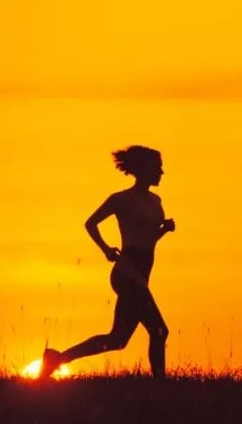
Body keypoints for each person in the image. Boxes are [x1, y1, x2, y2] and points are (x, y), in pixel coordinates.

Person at [40, 145, 175, 378]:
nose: (161, 172)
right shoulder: (121, 199)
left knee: (118, 340)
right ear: (142, 168)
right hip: (127, 273)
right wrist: (105, 249)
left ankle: (57, 358)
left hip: (141, 275)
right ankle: (160, 383)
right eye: (157, 167)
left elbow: (147, 239)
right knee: (159, 330)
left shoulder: (156, 200)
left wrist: (164, 230)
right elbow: (91, 223)